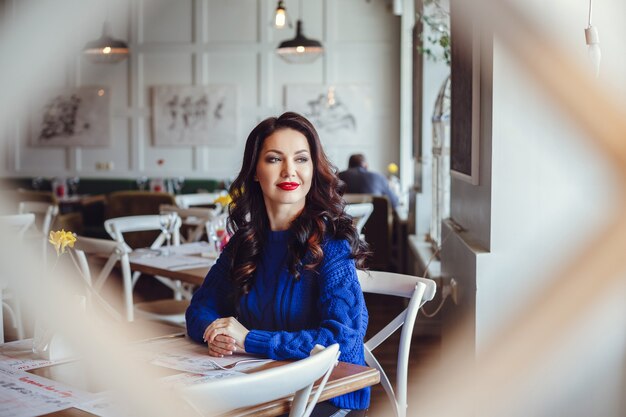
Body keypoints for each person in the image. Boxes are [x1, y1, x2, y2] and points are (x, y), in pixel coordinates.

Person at [185, 112, 371, 416]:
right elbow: (199, 309)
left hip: (322, 397)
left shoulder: (331, 244)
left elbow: (341, 341)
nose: (289, 171)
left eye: (301, 159)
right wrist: (216, 332)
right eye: (274, 159)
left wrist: (249, 339)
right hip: (258, 390)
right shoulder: (244, 243)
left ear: (313, 168)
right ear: (256, 171)